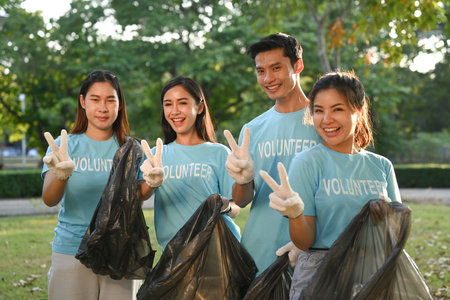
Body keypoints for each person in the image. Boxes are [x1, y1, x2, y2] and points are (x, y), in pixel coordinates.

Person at [260, 71, 402, 298]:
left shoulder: (381, 166)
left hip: (370, 274)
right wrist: (296, 214)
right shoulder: (307, 162)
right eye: (318, 111)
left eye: (338, 109)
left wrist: (387, 219)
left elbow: (395, 237)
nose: (326, 120)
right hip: (318, 277)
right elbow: (304, 241)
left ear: (359, 111)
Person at [224, 33, 321, 274]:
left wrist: (309, 243)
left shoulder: (324, 123)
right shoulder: (252, 129)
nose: (268, 78)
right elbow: (243, 200)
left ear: (297, 65)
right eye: (260, 71)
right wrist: (243, 179)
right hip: (258, 253)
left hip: (312, 253)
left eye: (276, 68)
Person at [41, 70, 140, 300]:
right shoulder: (63, 146)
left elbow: (139, 195)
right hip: (71, 250)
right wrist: (61, 175)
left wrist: (152, 183)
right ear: (83, 102)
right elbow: (49, 199)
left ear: (120, 105)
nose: (103, 108)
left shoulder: (131, 149)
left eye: (110, 100)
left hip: (119, 250)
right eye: (95, 99)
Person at [139, 75, 241, 250]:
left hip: (216, 250)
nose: (175, 111)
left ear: (200, 107)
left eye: (183, 103)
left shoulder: (219, 153)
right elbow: (139, 197)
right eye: (168, 104)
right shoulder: (156, 155)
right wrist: (151, 183)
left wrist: (223, 206)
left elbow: (236, 206)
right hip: (173, 255)